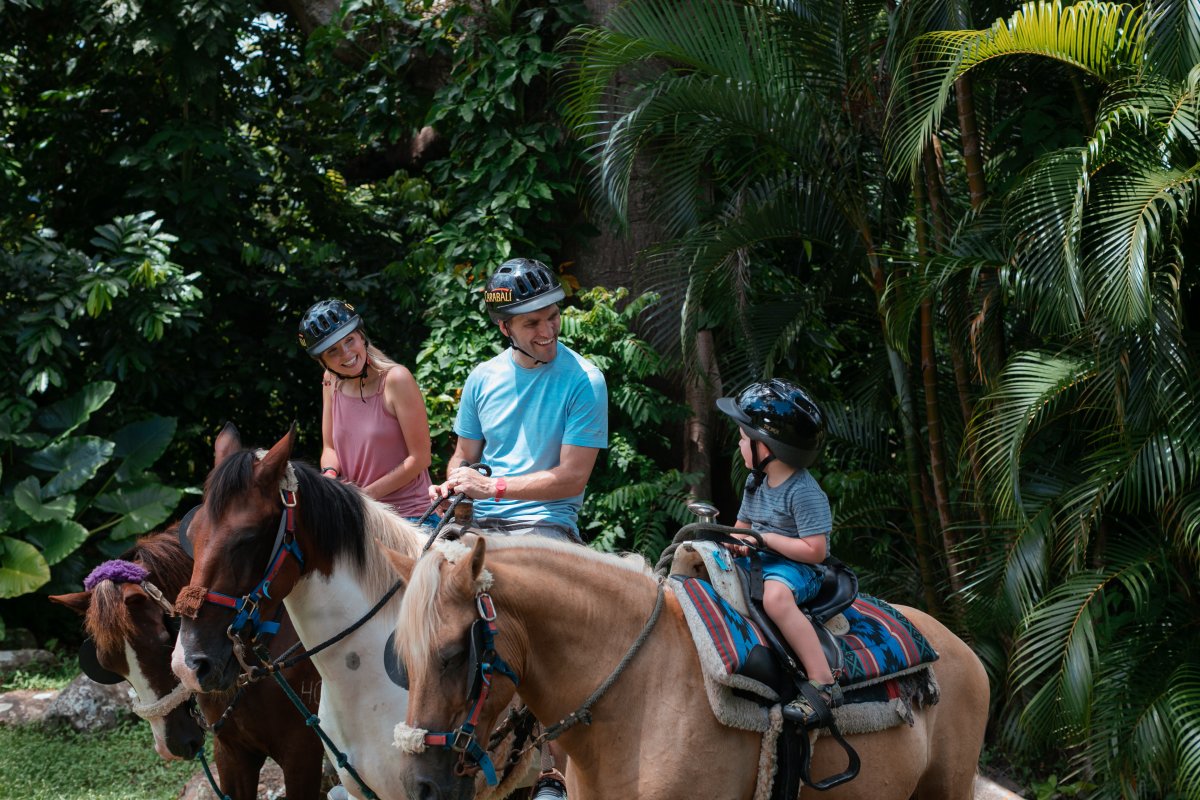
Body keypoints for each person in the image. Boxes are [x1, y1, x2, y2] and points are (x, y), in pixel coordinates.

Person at [429, 258, 608, 799]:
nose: (548, 329)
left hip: (543, 526)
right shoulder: (482, 379)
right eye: (532, 322)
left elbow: (571, 477)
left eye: (552, 316)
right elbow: (464, 454)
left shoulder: (584, 380)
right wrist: (453, 482)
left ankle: (552, 772)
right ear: (504, 327)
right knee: (409, 597)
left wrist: (494, 489)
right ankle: (419, 736)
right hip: (476, 519)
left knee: (534, 640)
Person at [716, 378, 841, 713]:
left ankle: (822, 682)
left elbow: (817, 551)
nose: (740, 446)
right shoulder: (755, 482)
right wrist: (737, 542)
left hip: (800, 568)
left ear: (766, 447)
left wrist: (766, 540)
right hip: (762, 559)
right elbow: (742, 526)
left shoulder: (803, 491)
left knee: (775, 598)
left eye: (744, 440)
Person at [298, 299, 434, 522]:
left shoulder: (396, 379)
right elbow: (330, 448)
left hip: (410, 515)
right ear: (322, 362)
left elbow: (420, 459)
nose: (346, 354)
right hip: (359, 514)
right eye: (333, 351)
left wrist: (361, 497)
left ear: (361, 337)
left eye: (349, 340)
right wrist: (330, 475)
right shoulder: (330, 381)